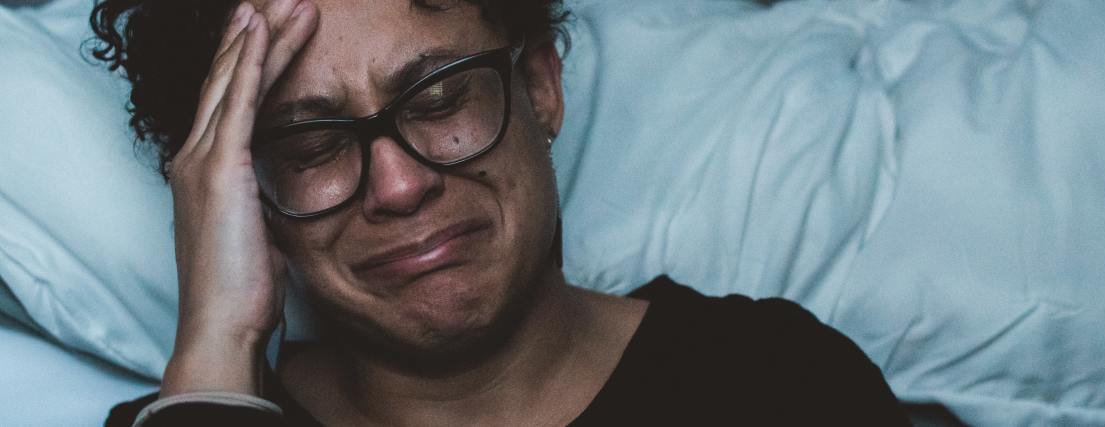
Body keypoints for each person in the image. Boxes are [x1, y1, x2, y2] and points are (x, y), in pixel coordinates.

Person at [90, 0, 909, 425]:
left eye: (442, 97)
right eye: (310, 147)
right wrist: (217, 345)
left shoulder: (773, 383)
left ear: (541, 86)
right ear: (238, 188)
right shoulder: (184, 420)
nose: (399, 186)